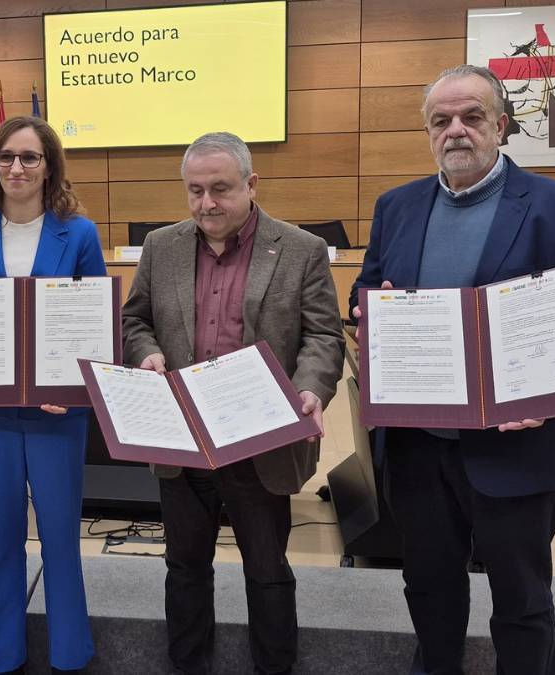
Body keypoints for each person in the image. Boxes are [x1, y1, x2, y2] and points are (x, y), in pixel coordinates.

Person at [350, 64, 555, 674]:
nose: (456, 130)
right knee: (429, 588)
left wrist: (551, 394)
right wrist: (371, 314)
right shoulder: (396, 207)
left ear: (500, 126)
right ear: (428, 133)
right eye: (441, 120)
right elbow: (366, 290)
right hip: (418, 446)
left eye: (472, 117)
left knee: (522, 601)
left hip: (516, 446)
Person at [122, 132, 344, 675]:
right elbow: (135, 320)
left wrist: (311, 387)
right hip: (183, 442)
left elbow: (324, 335)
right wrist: (147, 354)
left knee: (267, 571)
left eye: (220, 189)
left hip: (260, 441)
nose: (206, 203)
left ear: (251, 184)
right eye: (195, 190)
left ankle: (274, 667)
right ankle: (188, 664)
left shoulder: (301, 249)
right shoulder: (161, 246)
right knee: (184, 568)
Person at [0, 116, 105, 674]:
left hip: (57, 414)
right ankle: (5, 657)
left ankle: (69, 657)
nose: (17, 167)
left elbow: (93, 322)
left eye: (30, 157)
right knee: (1, 542)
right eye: (6, 156)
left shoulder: (79, 233)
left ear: (49, 166)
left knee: (60, 540)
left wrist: (77, 391)